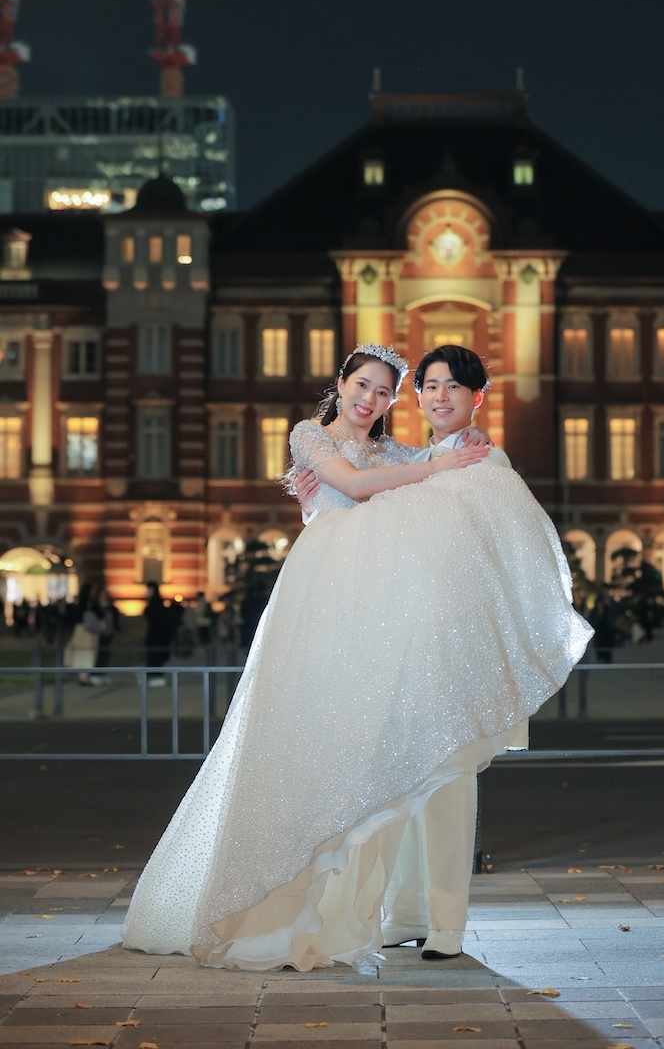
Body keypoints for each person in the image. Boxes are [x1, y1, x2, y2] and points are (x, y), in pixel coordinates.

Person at [122, 343, 591, 971]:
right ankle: (387, 910)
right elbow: (352, 493)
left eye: (383, 392)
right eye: (363, 386)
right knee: (341, 755)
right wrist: (324, 503)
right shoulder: (323, 439)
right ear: (341, 383)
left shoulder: (423, 454)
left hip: (407, 634)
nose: (370, 399)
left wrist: (438, 464)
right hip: (334, 615)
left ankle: (421, 917)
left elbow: (424, 511)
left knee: (408, 769)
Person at [143, 582, 172, 687]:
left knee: (155, 655)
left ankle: (156, 676)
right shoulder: (157, 603)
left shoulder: (155, 604)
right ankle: (155, 675)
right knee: (155, 655)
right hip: (158, 635)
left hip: (156, 636)